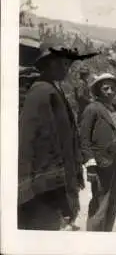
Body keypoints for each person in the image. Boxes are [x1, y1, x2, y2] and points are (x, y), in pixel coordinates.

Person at [18, 35, 88, 231]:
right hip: (46, 188)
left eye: (67, 63)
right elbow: (36, 141)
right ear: (47, 64)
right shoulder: (41, 92)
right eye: (61, 63)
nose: (66, 67)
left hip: (54, 183)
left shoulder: (53, 89)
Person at [80, 73, 116, 231]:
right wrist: (90, 164)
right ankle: (94, 238)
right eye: (105, 88)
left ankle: (106, 235)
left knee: (114, 200)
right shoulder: (92, 108)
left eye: (112, 88)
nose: (110, 91)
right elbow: (84, 138)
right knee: (101, 202)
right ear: (98, 90)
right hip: (101, 162)